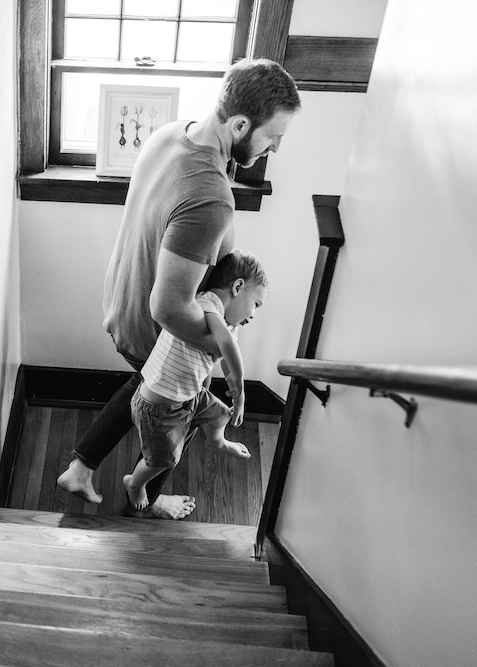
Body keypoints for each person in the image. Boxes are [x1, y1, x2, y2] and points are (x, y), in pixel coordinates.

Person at [56, 58, 300, 517]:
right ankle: (143, 503)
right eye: (273, 137)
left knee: (142, 384)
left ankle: (82, 467)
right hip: (152, 327)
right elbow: (168, 307)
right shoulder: (210, 196)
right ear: (241, 123)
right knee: (177, 412)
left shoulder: (173, 134)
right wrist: (219, 351)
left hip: (122, 299)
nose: (276, 148)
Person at [124, 251, 267, 511]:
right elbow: (226, 346)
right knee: (164, 460)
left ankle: (216, 440)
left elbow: (225, 352)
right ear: (238, 287)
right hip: (158, 407)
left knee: (220, 414)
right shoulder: (206, 303)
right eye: (256, 304)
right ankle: (134, 483)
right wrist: (240, 394)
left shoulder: (226, 325)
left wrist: (233, 391)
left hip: (189, 396)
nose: (254, 315)